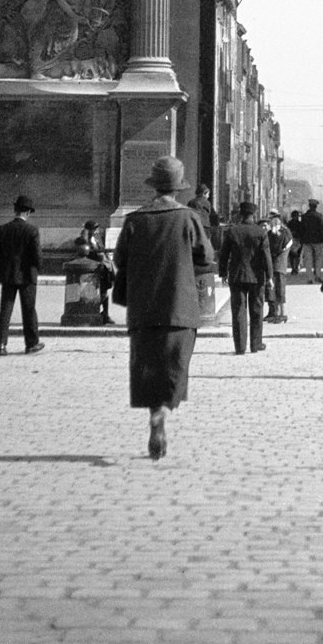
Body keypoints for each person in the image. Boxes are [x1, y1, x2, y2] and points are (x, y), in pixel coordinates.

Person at [112, 156, 212, 459]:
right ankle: (164, 411)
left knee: (147, 364)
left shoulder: (135, 219)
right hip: (179, 306)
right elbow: (205, 257)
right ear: (179, 188)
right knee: (175, 364)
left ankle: (153, 413)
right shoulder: (189, 218)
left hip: (143, 308)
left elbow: (119, 260)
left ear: (154, 187)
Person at [0, 194, 44, 355]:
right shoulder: (32, 230)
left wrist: (3, 267)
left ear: (15, 210)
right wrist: (38, 269)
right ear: (28, 212)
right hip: (27, 275)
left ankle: (1, 344)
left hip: (8, 274)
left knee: (5, 309)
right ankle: (31, 343)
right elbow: (37, 255)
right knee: (29, 310)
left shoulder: (2, 229)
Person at [218, 200, 273, 354]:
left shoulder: (232, 231)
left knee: (238, 311)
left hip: (236, 276)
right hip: (257, 277)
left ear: (240, 214)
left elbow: (223, 254)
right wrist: (269, 276)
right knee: (257, 310)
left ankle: (240, 347)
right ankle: (255, 345)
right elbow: (266, 256)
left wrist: (222, 273)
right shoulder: (261, 232)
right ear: (254, 214)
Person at [74, 218, 115, 324]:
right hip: (91, 270)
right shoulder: (81, 240)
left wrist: (108, 261)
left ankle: (105, 314)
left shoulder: (97, 239)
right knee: (92, 292)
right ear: (88, 230)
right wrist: (85, 237)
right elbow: (81, 249)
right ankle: (93, 312)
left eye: (96, 229)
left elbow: (102, 250)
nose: (96, 231)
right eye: (94, 229)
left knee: (104, 292)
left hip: (102, 269)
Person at [264, 209, 292, 322]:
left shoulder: (284, 232)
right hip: (272, 264)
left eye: (272, 219)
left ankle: (281, 314)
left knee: (279, 289)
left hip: (279, 264)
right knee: (270, 289)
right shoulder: (273, 232)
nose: (271, 222)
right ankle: (272, 312)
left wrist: (272, 232)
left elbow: (279, 247)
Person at [300, 198, 323, 279]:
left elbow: (302, 230)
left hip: (307, 241)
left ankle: (310, 277)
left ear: (309, 206)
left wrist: (302, 241)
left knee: (308, 260)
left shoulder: (304, 217)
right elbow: (322, 229)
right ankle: (318, 275)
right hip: (317, 241)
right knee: (318, 259)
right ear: (316, 207)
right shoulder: (319, 216)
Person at [287, 207, 305, 276]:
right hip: (291, 241)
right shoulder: (289, 224)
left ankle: (296, 268)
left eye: (296, 216)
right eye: (294, 216)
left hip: (298, 241)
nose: (295, 217)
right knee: (291, 255)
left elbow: (302, 232)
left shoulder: (300, 224)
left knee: (297, 255)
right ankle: (293, 268)